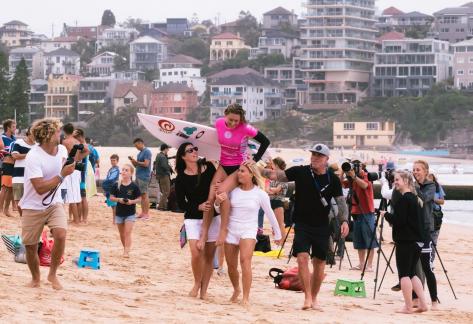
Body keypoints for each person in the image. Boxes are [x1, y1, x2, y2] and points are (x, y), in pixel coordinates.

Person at [260, 143, 349, 310]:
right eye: (313, 154)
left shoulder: (333, 179)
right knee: (302, 258)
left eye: (319, 155)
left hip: (322, 226)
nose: (314, 157)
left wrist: (344, 221)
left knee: (319, 263)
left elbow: (341, 202)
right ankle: (307, 297)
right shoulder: (300, 171)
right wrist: (257, 169)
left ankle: (314, 298)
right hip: (302, 223)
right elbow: (276, 175)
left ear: (326, 159)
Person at [201, 103, 270, 250]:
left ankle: (223, 230)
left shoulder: (246, 128)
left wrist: (255, 159)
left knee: (222, 193)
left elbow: (265, 141)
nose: (232, 123)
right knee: (211, 196)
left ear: (241, 120)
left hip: (238, 166)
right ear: (225, 115)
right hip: (223, 164)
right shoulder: (219, 123)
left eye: (236, 121)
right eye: (230, 119)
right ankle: (204, 233)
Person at [215, 162, 281, 306]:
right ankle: (236, 289)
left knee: (245, 261)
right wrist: (216, 203)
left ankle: (246, 297)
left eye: (242, 171)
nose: (239, 173)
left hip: (249, 230)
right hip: (231, 230)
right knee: (231, 266)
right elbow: (221, 211)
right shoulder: (232, 192)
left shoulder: (260, 194)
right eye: (238, 171)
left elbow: (270, 214)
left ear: (251, 174)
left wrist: (278, 234)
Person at [19, 118, 74, 290]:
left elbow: (66, 164)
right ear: (48, 135)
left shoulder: (62, 149)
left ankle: (52, 274)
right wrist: (61, 175)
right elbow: (40, 188)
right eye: (58, 131)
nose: (61, 133)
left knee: (60, 234)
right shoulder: (33, 156)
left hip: (54, 202)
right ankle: (35, 279)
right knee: (30, 247)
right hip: (32, 205)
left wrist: (75, 159)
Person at [175, 142, 220, 300]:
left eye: (195, 149)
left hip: (213, 216)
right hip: (193, 218)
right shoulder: (180, 178)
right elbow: (181, 204)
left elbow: (218, 185)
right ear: (183, 156)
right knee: (196, 253)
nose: (194, 152)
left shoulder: (209, 167)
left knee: (208, 255)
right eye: (190, 150)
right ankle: (196, 282)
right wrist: (198, 206)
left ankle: (204, 290)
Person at [380, 171, 428, 314]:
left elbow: (399, 221)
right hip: (417, 240)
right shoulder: (415, 198)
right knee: (412, 273)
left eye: (397, 180)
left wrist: (386, 214)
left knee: (404, 274)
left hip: (406, 240)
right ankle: (423, 304)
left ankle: (408, 307)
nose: (395, 182)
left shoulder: (404, 199)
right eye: (394, 180)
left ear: (406, 181)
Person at [413, 160, 440, 310]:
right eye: (414, 170)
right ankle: (415, 298)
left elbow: (423, 199)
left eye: (418, 170)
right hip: (412, 230)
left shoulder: (430, 186)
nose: (415, 172)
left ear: (425, 171)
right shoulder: (413, 186)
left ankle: (434, 300)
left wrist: (414, 186)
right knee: (411, 267)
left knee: (427, 267)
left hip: (425, 230)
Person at [342, 158, 378, 271]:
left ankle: (370, 265)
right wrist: (343, 171)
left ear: (361, 166)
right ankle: (361, 264)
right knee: (359, 240)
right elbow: (342, 184)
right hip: (356, 212)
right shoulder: (351, 178)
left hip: (367, 211)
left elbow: (364, 185)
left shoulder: (366, 175)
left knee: (369, 239)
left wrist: (354, 177)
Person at [109, 164, 141, 258]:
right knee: (122, 234)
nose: (123, 172)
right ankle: (125, 249)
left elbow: (139, 198)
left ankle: (126, 252)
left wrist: (131, 202)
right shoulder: (116, 184)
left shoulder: (134, 186)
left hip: (130, 213)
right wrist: (119, 200)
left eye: (126, 170)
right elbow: (111, 197)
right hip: (119, 213)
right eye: (123, 170)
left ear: (131, 173)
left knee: (127, 232)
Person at [61, 123, 89, 224]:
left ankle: (76, 220)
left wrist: (74, 159)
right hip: (77, 169)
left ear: (64, 131)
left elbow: (63, 156)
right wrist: (78, 159)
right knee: (77, 195)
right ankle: (78, 219)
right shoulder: (77, 141)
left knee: (72, 196)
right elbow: (87, 150)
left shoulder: (65, 142)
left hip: (70, 168)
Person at [11, 128, 36, 217]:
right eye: (34, 134)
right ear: (28, 134)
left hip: (33, 178)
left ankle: (27, 218)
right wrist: (30, 155)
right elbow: (15, 156)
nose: (35, 136)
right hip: (18, 177)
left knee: (31, 202)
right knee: (18, 201)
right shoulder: (19, 142)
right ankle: (24, 217)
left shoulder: (38, 146)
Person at [265, 157, 288, 241]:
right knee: (274, 224)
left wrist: (271, 190)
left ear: (276, 165)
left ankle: (282, 241)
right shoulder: (273, 175)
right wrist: (271, 190)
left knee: (280, 224)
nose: (271, 166)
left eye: (273, 164)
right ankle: (278, 240)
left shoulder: (283, 175)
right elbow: (267, 189)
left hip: (278, 201)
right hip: (272, 201)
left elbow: (277, 190)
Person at [129, 138, 152, 220]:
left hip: (144, 176)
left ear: (141, 143)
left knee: (144, 195)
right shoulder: (139, 153)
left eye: (136, 145)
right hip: (138, 176)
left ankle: (146, 214)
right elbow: (137, 166)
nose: (136, 147)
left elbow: (146, 164)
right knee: (141, 195)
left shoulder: (147, 151)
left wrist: (137, 162)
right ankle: (143, 212)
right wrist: (133, 161)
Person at [0, 119, 17, 217]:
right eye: (14, 126)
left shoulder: (14, 139)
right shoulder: (2, 138)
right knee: (5, 188)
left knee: (11, 188)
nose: (15, 128)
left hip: (14, 164)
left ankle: (6, 209)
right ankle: (0, 209)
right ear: (8, 128)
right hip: (6, 164)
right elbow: (2, 151)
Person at [73, 129, 90, 224]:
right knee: (80, 197)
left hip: (82, 173)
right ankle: (80, 218)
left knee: (83, 197)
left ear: (80, 136)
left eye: (75, 137)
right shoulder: (82, 145)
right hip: (81, 172)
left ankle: (84, 218)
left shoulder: (83, 145)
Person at [429, 173, 445, 262]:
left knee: (434, 241)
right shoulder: (423, 187)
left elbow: (442, 201)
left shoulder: (438, 187)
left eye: (431, 178)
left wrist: (433, 199)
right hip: (426, 215)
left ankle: (431, 261)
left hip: (436, 215)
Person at [155, 143, 173, 211]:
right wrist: (170, 168)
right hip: (164, 176)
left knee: (164, 192)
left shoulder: (159, 155)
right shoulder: (162, 157)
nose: (168, 150)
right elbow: (164, 166)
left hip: (160, 176)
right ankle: (161, 206)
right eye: (168, 149)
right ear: (165, 149)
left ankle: (164, 207)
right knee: (167, 192)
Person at [102, 154, 120, 220]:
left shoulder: (116, 169)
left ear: (117, 161)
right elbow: (108, 178)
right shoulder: (111, 169)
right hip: (109, 189)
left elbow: (110, 179)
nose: (112, 162)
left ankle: (115, 220)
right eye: (111, 160)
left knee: (114, 205)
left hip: (112, 189)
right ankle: (115, 220)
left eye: (114, 160)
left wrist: (104, 184)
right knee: (113, 205)